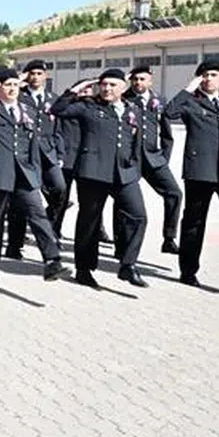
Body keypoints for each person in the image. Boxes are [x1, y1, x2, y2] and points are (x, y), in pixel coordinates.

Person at [0, 66, 70, 290]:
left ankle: (52, 260)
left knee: (37, 213)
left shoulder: (27, 110)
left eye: (15, 85)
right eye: (7, 85)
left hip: (23, 174)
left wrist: (36, 171)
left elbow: (35, 141)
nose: (12, 89)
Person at [51, 69, 148, 288]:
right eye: (103, 84)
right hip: (93, 171)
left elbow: (137, 142)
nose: (107, 89)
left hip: (124, 172)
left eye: (113, 85)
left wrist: (136, 167)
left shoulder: (133, 109)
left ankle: (128, 265)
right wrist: (76, 89)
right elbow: (57, 109)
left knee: (138, 216)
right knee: (89, 221)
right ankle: (84, 269)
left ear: (123, 87)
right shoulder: (88, 106)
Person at [163, 61, 219, 291]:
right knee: (195, 222)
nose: (208, 79)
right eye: (204, 75)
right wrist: (188, 88)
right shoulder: (191, 103)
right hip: (200, 172)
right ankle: (188, 270)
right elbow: (169, 112)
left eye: (213, 75)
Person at [4, 59, 68, 260]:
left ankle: (50, 226)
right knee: (20, 201)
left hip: (48, 153)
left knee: (60, 188)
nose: (36, 77)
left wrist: (59, 154)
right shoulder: (18, 97)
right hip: (24, 155)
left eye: (40, 73)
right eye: (32, 73)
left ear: (46, 76)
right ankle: (14, 245)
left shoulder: (53, 99)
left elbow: (59, 129)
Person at [124, 64, 182, 254]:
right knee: (124, 201)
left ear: (150, 80)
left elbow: (166, 133)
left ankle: (169, 238)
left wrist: (164, 157)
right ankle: (121, 243)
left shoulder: (159, 100)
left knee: (174, 194)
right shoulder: (124, 99)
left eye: (142, 79)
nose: (138, 83)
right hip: (131, 159)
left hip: (154, 158)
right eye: (135, 79)